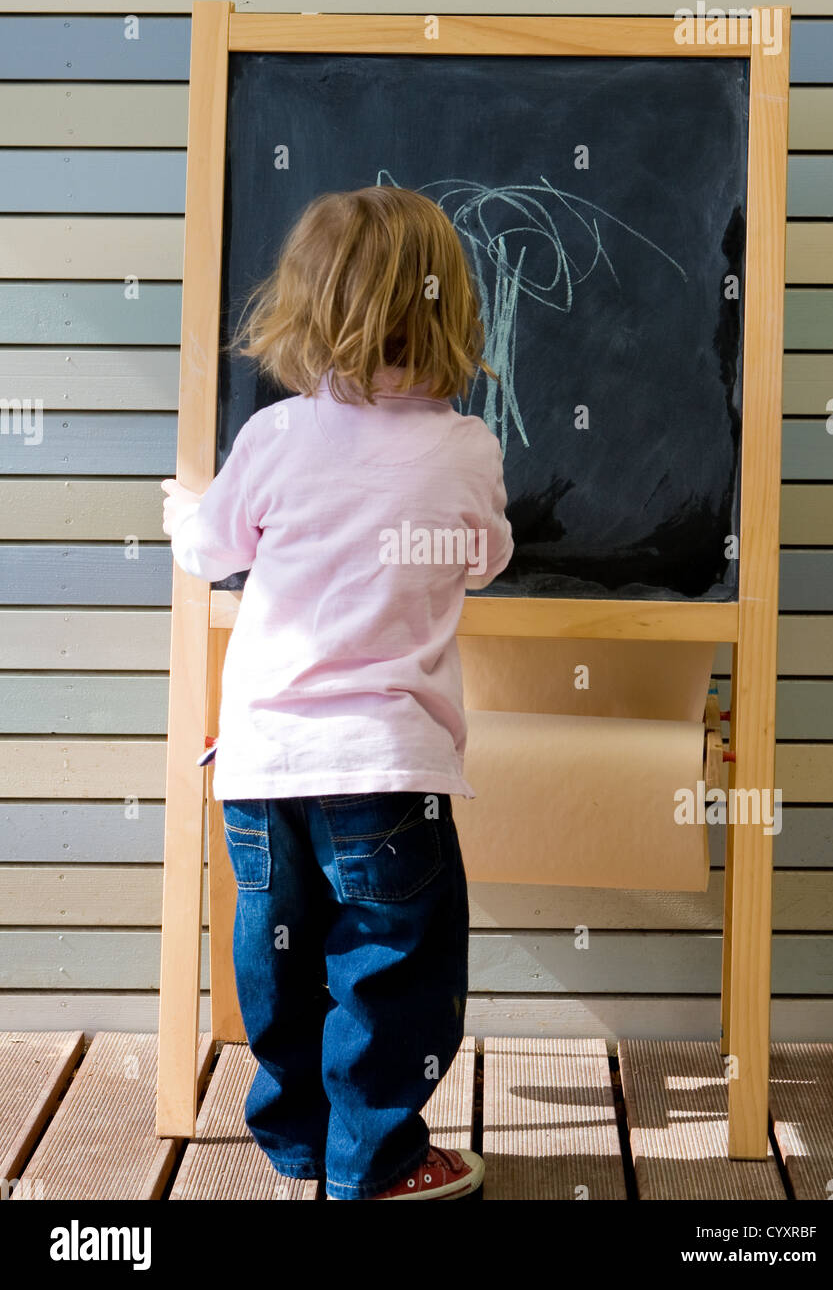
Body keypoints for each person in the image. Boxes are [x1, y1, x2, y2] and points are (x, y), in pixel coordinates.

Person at [161, 185, 513, 1200]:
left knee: (278, 960)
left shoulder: (273, 439)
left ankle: (301, 1144)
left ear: (306, 307)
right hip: (386, 769)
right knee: (390, 966)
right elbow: (484, 555)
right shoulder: (463, 449)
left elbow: (212, 547)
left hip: (263, 766)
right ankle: (383, 1159)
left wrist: (186, 511)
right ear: (449, 313)